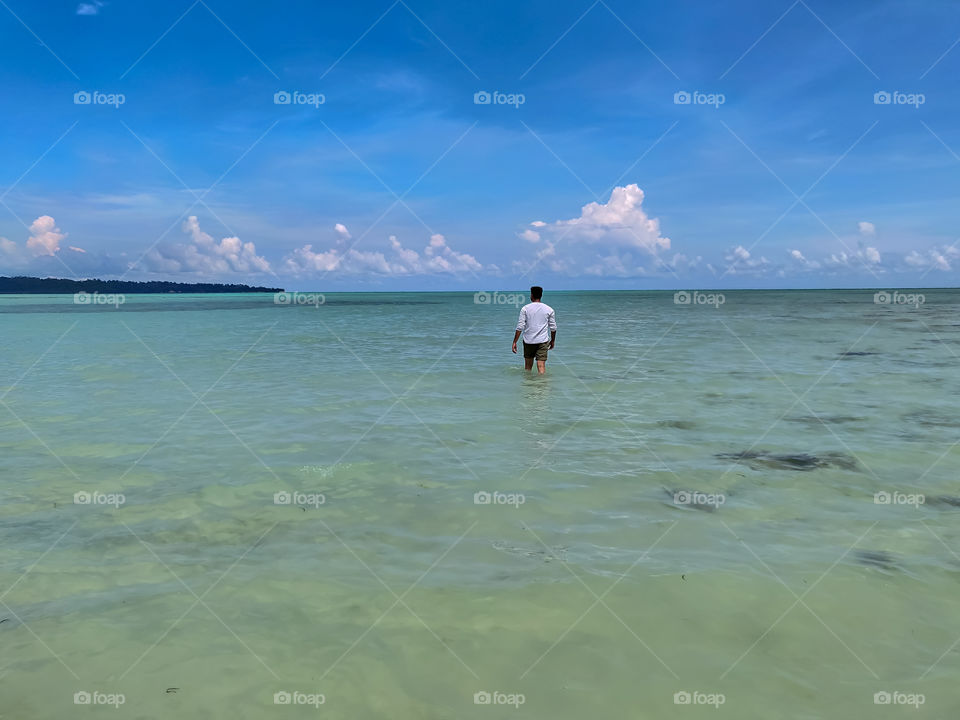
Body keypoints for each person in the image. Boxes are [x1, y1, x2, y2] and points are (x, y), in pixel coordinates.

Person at [512, 286, 557, 374]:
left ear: (532, 295)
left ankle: (529, 385)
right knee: (541, 367)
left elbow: (520, 327)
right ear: (541, 295)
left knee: (528, 368)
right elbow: (553, 328)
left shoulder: (525, 309)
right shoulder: (549, 309)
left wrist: (514, 342)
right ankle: (542, 386)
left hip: (528, 341)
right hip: (543, 341)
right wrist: (553, 341)